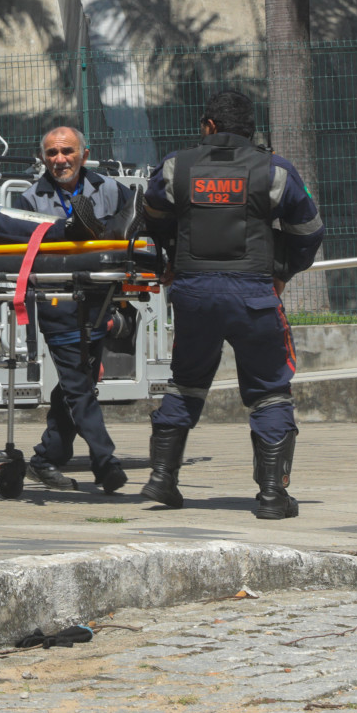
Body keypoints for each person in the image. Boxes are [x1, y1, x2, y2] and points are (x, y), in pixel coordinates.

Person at [139, 90, 324, 518]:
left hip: (193, 294)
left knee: (186, 382)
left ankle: (162, 480)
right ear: (250, 129)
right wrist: (283, 271)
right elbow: (309, 230)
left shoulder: (175, 166)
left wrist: (169, 261)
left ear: (208, 126)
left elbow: (151, 216)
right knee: (270, 391)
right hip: (254, 295)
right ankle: (273, 496)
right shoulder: (275, 171)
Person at [16, 125, 132, 494]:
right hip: (57, 300)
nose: (59, 159)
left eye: (66, 151)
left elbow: (133, 224)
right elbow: (23, 249)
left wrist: (102, 232)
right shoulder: (29, 200)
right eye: (51, 153)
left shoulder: (112, 190)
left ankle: (46, 458)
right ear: (42, 158)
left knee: (77, 382)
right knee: (79, 384)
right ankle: (105, 461)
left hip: (102, 299)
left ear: (83, 154)